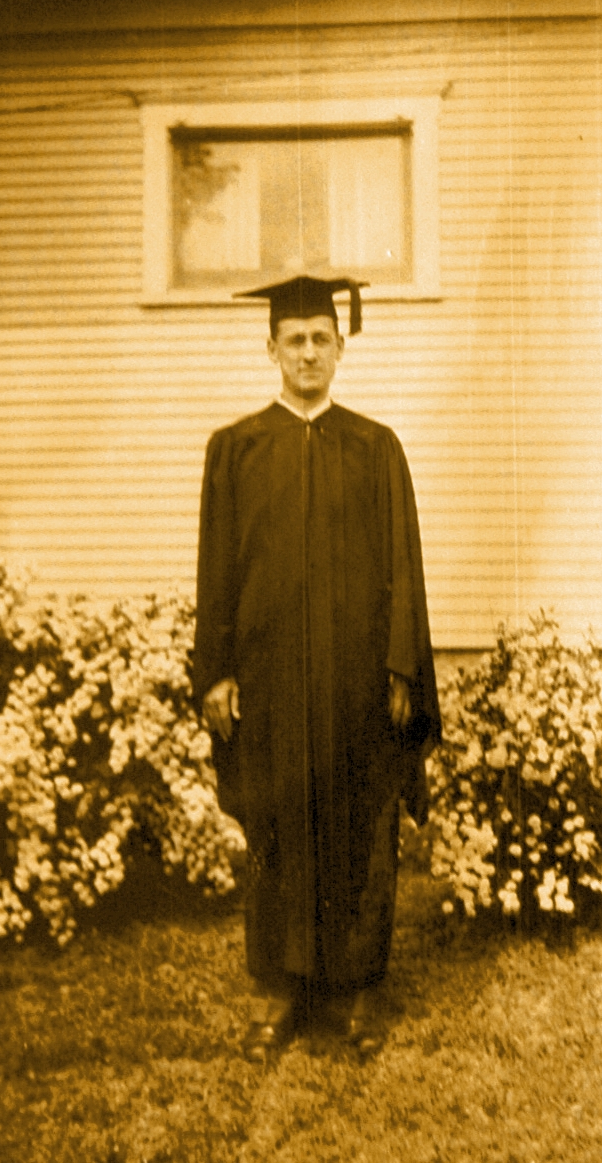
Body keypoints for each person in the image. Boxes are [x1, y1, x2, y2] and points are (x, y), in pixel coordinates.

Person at [192, 275, 441, 1062]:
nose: (307, 352)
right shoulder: (235, 449)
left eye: (320, 339)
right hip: (269, 680)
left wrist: (402, 669)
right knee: (276, 828)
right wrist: (216, 672)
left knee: (361, 831)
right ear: (270, 349)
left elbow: (405, 563)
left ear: (341, 348)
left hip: (356, 682)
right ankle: (280, 991)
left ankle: (353, 990)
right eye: (293, 339)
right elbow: (215, 571)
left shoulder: (376, 447)